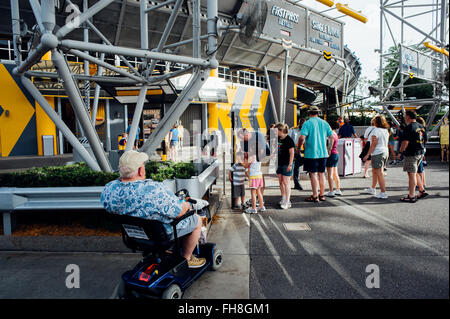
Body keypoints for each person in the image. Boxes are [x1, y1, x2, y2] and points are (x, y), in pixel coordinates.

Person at [101, 150, 206, 268]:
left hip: (133, 235)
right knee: (196, 219)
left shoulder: (109, 189)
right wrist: (186, 205)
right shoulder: (153, 190)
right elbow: (178, 212)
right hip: (161, 234)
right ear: (141, 170)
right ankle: (186, 258)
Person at [298, 106, 333, 202]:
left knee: (313, 174)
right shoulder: (324, 123)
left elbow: (302, 138)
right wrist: (329, 149)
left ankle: (315, 195)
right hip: (323, 153)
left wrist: (298, 147)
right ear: (318, 113)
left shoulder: (307, 123)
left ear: (309, 113)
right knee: (322, 174)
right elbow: (332, 137)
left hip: (311, 153)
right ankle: (322, 194)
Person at [399, 110, 428, 202]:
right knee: (415, 173)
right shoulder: (421, 126)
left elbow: (405, 142)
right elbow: (425, 140)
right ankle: (422, 190)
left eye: (405, 116)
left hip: (411, 153)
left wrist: (400, 151)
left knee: (411, 174)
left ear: (408, 117)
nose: (404, 118)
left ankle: (411, 196)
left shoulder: (409, 127)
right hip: (420, 152)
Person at [237, 128, 269, 206]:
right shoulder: (244, 141)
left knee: (261, 176)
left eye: (243, 138)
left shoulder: (258, 135)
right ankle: (257, 198)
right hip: (253, 158)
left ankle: (259, 197)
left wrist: (249, 161)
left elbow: (261, 151)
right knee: (255, 177)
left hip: (263, 157)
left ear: (247, 134)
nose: (243, 140)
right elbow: (245, 153)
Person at [363, 115, 390, 199]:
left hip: (377, 153)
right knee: (376, 171)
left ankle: (383, 192)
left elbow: (374, 144)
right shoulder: (385, 130)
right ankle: (373, 188)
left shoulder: (376, 131)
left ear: (376, 122)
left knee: (379, 173)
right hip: (385, 151)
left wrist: (368, 154)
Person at [275, 123, 295, 209]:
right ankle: (283, 198)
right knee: (281, 182)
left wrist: (290, 164)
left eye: (276, 131)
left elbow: (292, 153)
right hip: (279, 163)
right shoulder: (278, 139)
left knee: (286, 182)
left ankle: (287, 201)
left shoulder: (289, 140)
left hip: (287, 164)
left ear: (281, 130)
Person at [325, 121, 342, 197]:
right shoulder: (335, 134)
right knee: (335, 173)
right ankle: (338, 189)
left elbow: (330, 145)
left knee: (329, 174)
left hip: (331, 154)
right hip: (336, 154)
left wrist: (328, 152)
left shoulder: (330, 134)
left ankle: (331, 191)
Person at [292, 118, 306, 191]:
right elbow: (291, 140)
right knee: (296, 167)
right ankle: (297, 183)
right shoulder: (294, 130)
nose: (302, 125)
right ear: (299, 123)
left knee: (303, 165)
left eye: (303, 123)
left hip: (305, 151)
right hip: (296, 151)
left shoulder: (307, 131)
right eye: (301, 123)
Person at [416, 117, 428, 188]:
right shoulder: (424, 129)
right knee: (421, 168)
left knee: (419, 168)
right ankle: (423, 182)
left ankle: (420, 184)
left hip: (419, 149)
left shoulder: (418, 130)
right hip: (423, 147)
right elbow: (426, 140)